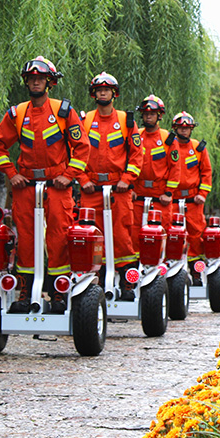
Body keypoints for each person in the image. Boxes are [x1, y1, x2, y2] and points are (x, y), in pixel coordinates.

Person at [0, 56, 90, 314]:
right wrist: (11, 173)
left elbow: (82, 149)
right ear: (26, 81)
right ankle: (24, 294)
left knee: (59, 237)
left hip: (57, 186)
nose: (36, 83)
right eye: (32, 79)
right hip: (25, 186)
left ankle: (58, 294)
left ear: (50, 83)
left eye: (40, 79)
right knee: (25, 239)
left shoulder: (63, 111)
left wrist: (68, 176)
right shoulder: (17, 113)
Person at [79, 72, 143, 300]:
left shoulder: (126, 121)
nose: (103, 92)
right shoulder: (84, 121)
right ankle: (92, 283)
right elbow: (75, 151)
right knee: (91, 236)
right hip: (91, 189)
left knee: (122, 235)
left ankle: (127, 283)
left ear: (114, 93)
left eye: (107, 89)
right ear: (93, 93)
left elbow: (137, 156)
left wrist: (127, 180)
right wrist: (83, 179)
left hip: (119, 190)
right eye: (99, 90)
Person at [131, 95, 180, 246]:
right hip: (137, 193)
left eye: (152, 114)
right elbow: (130, 161)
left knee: (161, 231)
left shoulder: (168, 139)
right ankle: (136, 266)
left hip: (160, 195)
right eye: (146, 114)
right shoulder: (136, 135)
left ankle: (159, 266)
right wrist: (130, 187)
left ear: (159, 115)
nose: (148, 117)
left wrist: (168, 192)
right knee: (134, 232)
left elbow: (175, 167)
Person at [170, 111, 212, 285]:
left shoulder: (198, 148)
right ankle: (172, 269)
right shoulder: (168, 146)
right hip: (171, 200)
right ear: (175, 128)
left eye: (187, 128)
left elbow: (206, 172)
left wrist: (202, 195)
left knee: (196, 236)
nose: (184, 131)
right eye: (181, 128)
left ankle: (196, 272)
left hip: (193, 201)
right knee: (172, 234)